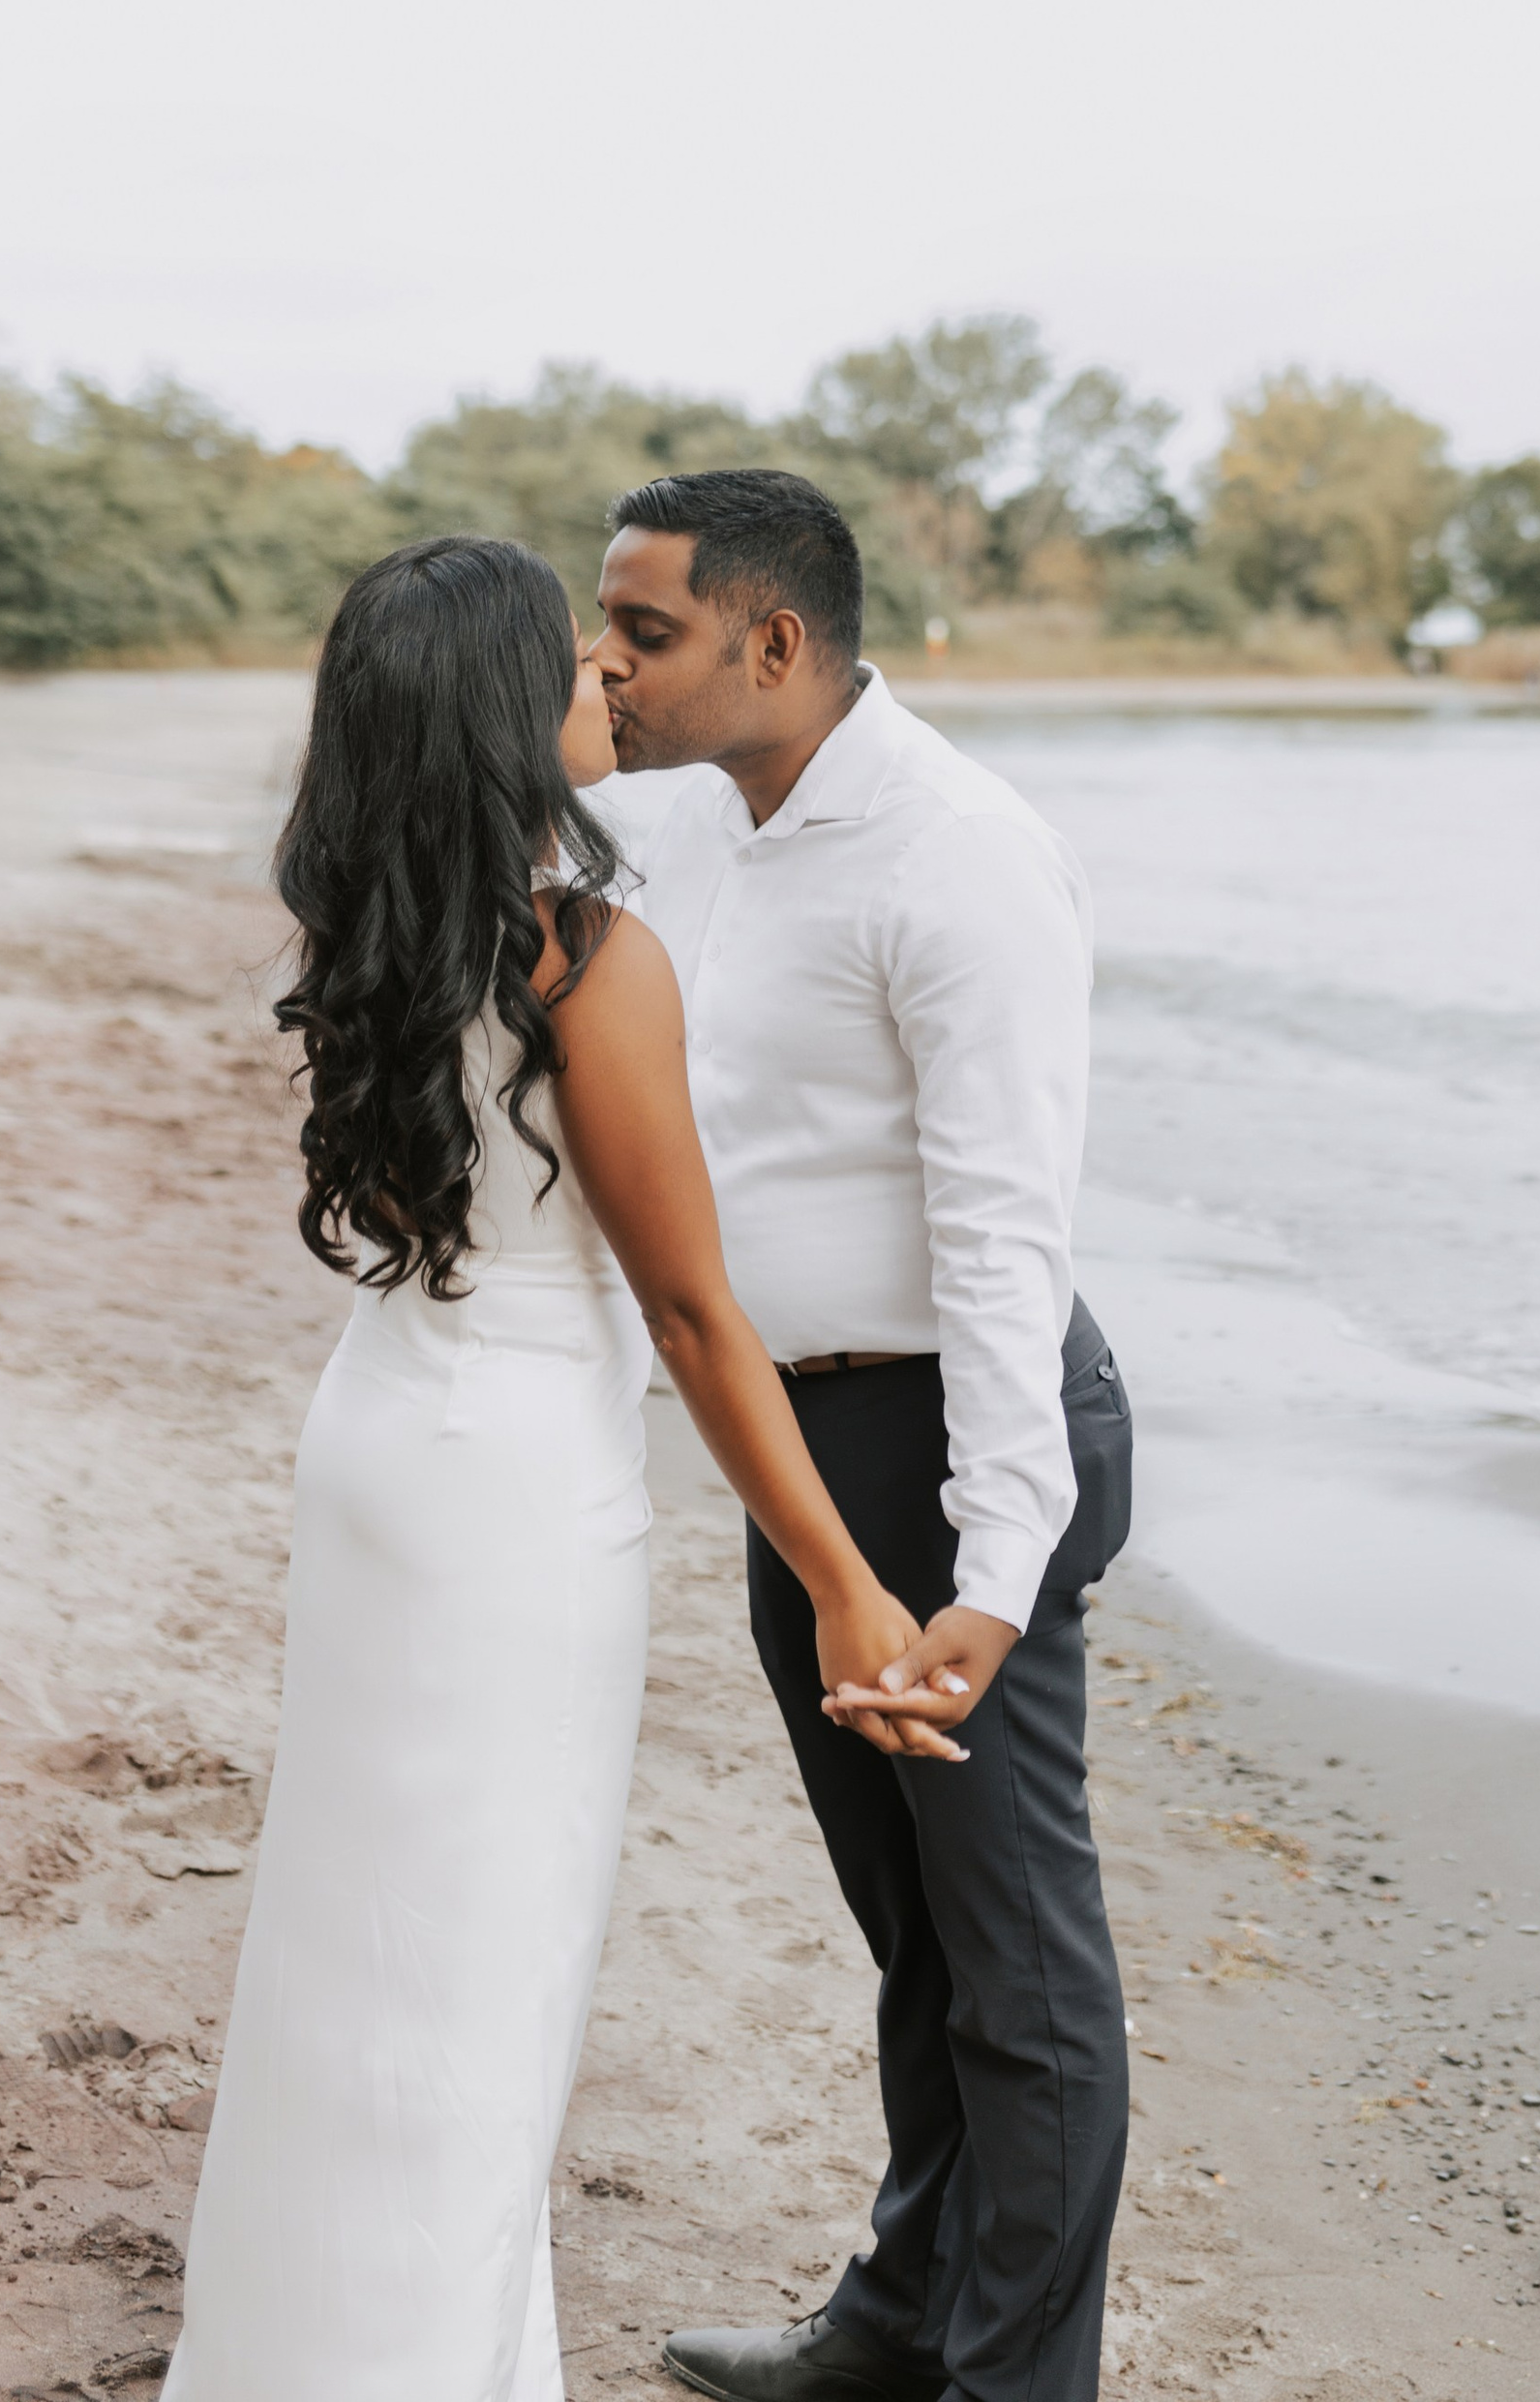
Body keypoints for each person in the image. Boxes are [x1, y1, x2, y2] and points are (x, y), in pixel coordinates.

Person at [164, 534, 949, 2402]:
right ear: (501, 714)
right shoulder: (589, 960)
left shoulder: (380, 925)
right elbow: (691, 1314)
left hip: (381, 1445)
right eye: (571, 661)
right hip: (513, 1495)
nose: (607, 678)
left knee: (359, 1937)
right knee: (478, 1966)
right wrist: (848, 1576)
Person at [589, 471, 1132, 2402]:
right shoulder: (699, 826)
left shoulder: (958, 854)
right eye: (596, 627)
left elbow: (1002, 1236)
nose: (605, 664)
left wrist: (991, 1565)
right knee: (913, 1940)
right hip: (801, 1452)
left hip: (945, 1438)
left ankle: (1010, 2386)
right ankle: (896, 2329)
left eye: (639, 631)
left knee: (1018, 1968)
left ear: (773, 643)